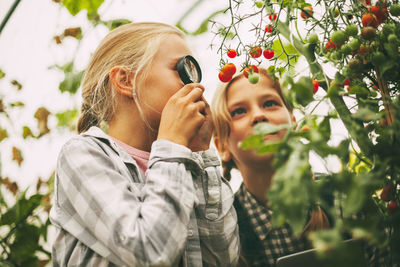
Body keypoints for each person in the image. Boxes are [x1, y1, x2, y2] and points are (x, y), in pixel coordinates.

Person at [49, 22, 239, 267]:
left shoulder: (182, 159)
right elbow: (150, 252)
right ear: (126, 80)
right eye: (181, 69)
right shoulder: (83, 154)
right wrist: (171, 144)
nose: (196, 86)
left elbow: (222, 259)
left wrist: (201, 153)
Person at [210, 68, 331, 266]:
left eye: (269, 104)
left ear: (293, 124)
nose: (258, 115)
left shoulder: (340, 198)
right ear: (222, 146)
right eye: (239, 111)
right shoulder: (223, 234)